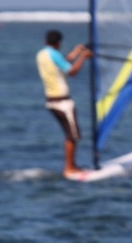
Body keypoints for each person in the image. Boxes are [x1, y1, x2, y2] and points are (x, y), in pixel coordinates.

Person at [36, 29, 92, 178]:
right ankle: (69, 168)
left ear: (46, 41)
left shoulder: (42, 54)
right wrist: (83, 58)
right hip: (63, 103)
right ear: (59, 43)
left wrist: (76, 53)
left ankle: (71, 166)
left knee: (70, 135)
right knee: (73, 136)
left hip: (51, 101)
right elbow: (71, 72)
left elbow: (60, 63)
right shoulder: (55, 54)